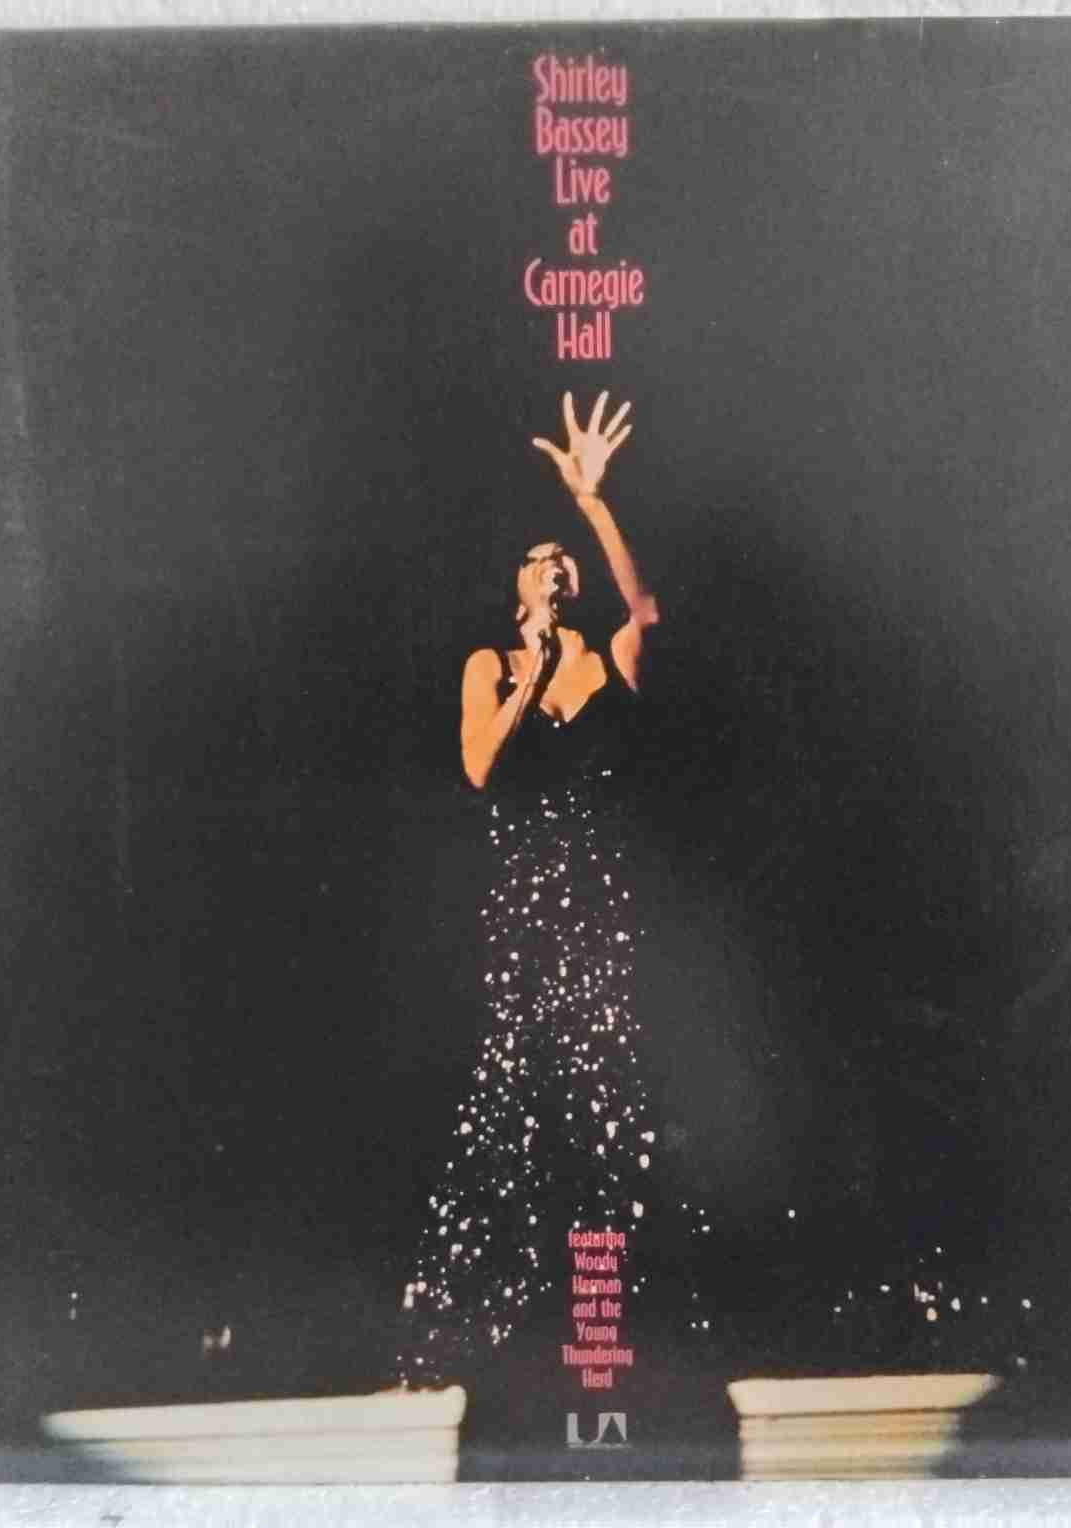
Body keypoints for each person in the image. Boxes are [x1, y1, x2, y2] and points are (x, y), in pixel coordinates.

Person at [397, 393, 660, 1384]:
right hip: (524, 909)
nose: (554, 564)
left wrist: (591, 503)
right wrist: (530, 671)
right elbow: (478, 768)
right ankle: (485, 1342)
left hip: (602, 905)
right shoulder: (494, 662)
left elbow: (647, 614)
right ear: (516, 586)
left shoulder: (609, 655)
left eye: (565, 558)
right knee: (513, 1108)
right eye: (538, 556)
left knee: (608, 1114)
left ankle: (608, 1339)